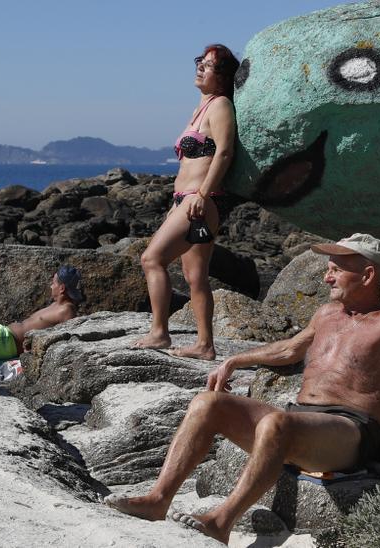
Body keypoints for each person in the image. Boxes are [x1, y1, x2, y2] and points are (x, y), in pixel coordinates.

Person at [109, 234, 380, 544]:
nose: (327, 276)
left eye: (336, 268)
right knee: (207, 403)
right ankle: (158, 499)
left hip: (348, 431)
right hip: (300, 420)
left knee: (276, 423)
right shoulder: (326, 314)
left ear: (368, 274)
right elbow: (288, 349)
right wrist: (236, 361)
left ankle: (221, 523)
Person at [131, 44, 240, 361]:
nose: (201, 68)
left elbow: (224, 152)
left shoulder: (220, 106)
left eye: (209, 65)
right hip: (185, 201)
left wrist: (203, 194)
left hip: (199, 201)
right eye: (200, 62)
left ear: (222, 78)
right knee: (195, 277)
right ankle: (205, 345)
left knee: (151, 259)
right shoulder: (201, 107)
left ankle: (159, 333)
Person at [0, 265, 85, 364]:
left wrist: (33, 352)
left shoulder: (66, 310)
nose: (51, 286)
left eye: (54, 282)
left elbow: (67, 342)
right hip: (3, 337)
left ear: (61, 288)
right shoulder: (57, 305)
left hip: (5, 342)